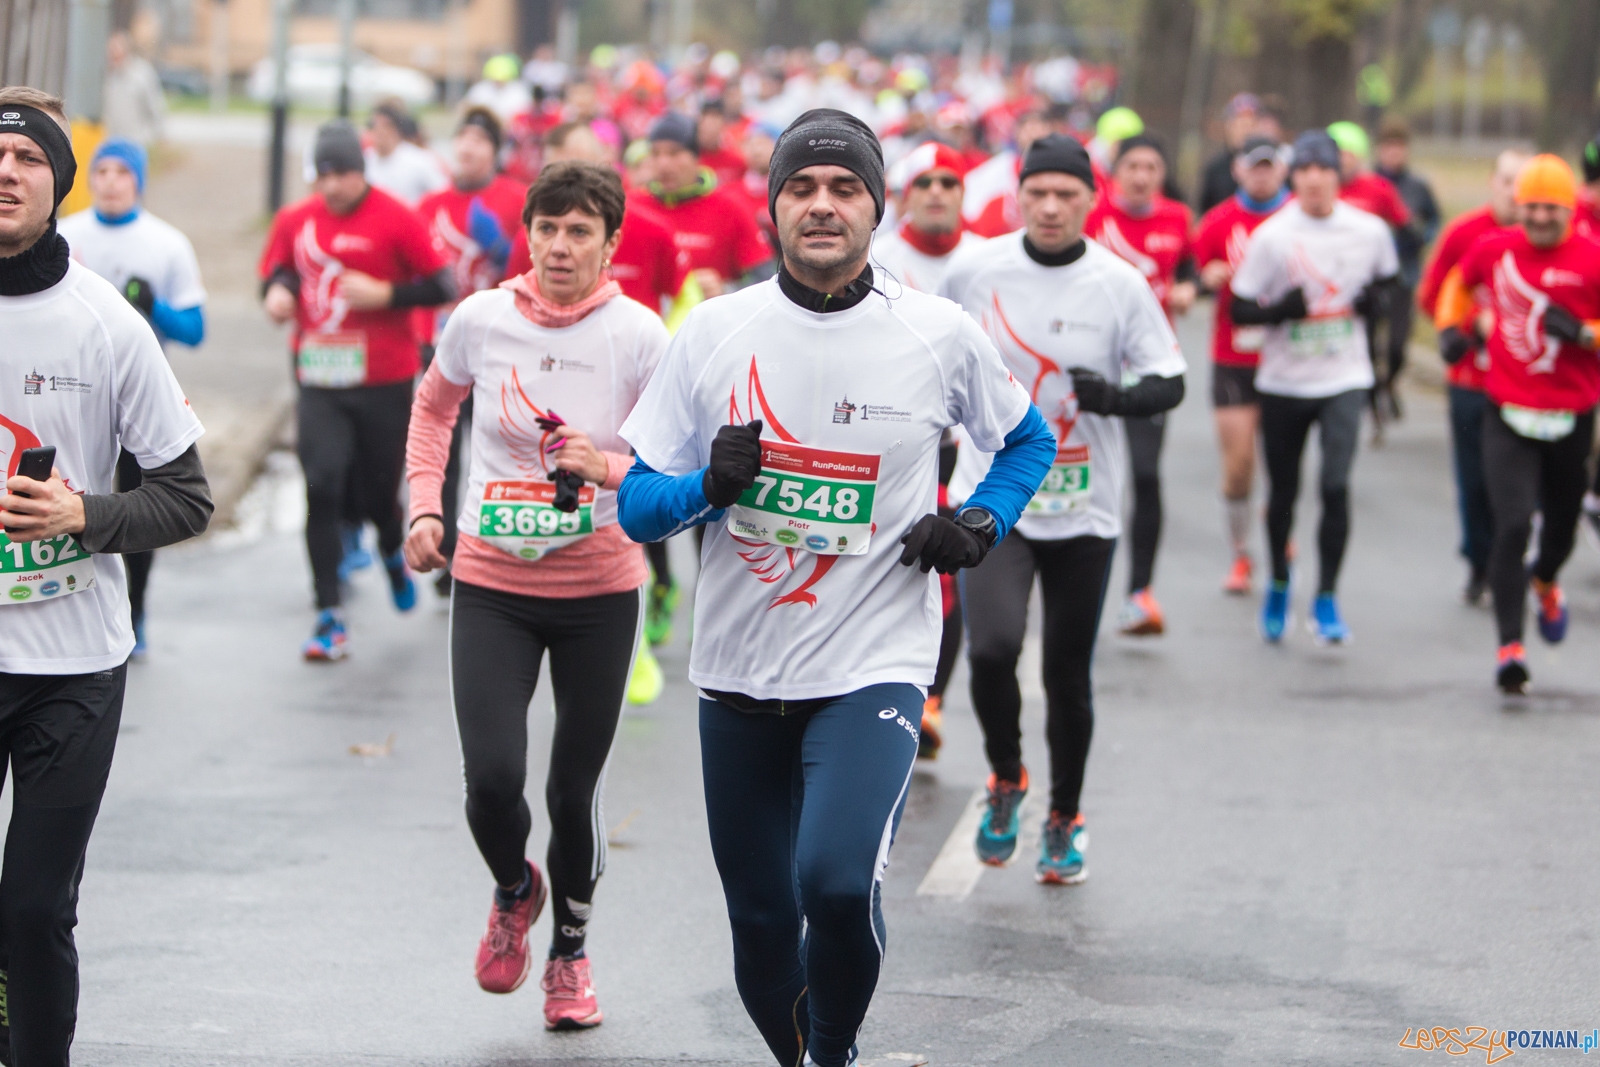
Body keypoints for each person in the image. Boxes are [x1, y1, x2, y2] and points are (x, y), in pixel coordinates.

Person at [615, 109, 1054, 1067]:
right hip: (738, 670)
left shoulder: (936, 332)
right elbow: (637, 508)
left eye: (844, 187)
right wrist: (706, 488)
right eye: (801, 188)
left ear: (875, 206)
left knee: (836, 879)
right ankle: (819, 1056)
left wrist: (979, 520)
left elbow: (1028, 440)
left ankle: (830, 1053)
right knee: (764, 921)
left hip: (875, 661)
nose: (822, 205)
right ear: (773, 207)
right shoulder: (714, 332)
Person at [404, 160, 666, 1030]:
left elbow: (675, 460)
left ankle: (569, 954)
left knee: (570, 791)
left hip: (598, 588)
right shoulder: (480, 319)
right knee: (493, 779)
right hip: (491, 582)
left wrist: (611, 467)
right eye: (546, 228)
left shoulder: (639, 335)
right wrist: (422, 507)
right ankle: (516, 887)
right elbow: (434, 408)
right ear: (528, 233)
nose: (559, 246)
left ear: (610, 242)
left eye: (579, 230)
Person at [0, 85, 211, 1067]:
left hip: (72, 662)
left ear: (60, 183)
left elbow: (187, 497)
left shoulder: (105, 324)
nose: (4, 172)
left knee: (35, 903)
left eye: (28, 160)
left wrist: (84, 514)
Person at [942, 133, 1186, 884]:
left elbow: (1169, 378)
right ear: (1018, 195)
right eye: (1037, 192)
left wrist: (1117, 396)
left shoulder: (1121, 282)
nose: (1050, 207)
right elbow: (927, 358)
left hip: (1086, 509)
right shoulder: (975, 269)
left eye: (1067, 195)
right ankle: (1008, 776)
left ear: (1091, 199)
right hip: (994, 497)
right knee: (990, 649)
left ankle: (1065, 812)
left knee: (1068, 671)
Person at [259, 120, 453, 660]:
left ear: (361, 171)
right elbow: (280, 273)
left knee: (375, 495)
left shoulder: (396, 217)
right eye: (323, 174)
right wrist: (276, 295)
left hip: (384, 379)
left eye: (342, 173)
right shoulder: (296, 219)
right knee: (321, 485)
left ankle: (391, 550)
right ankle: (329, 612)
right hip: (318, 377)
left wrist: (387, 293)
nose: (332, 186)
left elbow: (442, 285)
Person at [1434, 155, 1600, 694]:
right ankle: (1510, 647)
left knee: (1558, 531)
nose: (1540, 218)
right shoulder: (1494, 248)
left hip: (1570, 414)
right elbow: (1457, 287)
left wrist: (1586, 335)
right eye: (1531, 207)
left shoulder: (1592, 259)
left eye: (1551, 208)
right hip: (1507, 410)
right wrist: (1453, 330)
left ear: (1569, 209)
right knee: (1511, 524)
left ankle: (1546, 581)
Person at [1228, 130, 1400, 645]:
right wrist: (1281, 311)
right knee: (1284, 492)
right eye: (1303, 171)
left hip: (1344, 377)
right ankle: (1281, 581)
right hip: (1284, 381)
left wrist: (1377, 304)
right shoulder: (1274, 236)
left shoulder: (1368, 231)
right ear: (1292, 177)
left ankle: (1326, 596)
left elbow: (1391, 283)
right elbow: (1239, 307)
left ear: (1337, 175)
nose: (1314, 180)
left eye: (1323, 170)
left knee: (1334, 486)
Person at [58, 138, 207, 656]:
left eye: (123, 171)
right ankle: (68, 597)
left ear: (139, 180)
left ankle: (135, 606)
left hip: (139, 399)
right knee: (74, 499)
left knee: (137, 501)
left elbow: (195, 329)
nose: (111, 180)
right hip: (73, 396)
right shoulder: (64, 234)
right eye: (102, 170)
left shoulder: (166, 243)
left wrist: (157, 307)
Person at [1084, 133, 1196, 636]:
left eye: (1152, 166)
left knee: (1145, 476)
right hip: (1092, 364)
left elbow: (1188, 264)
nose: (1143, 175)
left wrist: (1191, 285)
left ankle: (1139, 594)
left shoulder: (1176, 217)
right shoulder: (1091, 216)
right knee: (1077, 472)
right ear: (1116, 171)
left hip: (1147, 366)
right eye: (1133, 165)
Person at [412, 107, 527, 595]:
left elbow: (528, 265)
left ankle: (485, 539)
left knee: (489, 445)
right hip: (437, 339)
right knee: (445, 447)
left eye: (480, 139)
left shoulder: (515, 198)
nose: (468, 147)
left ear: (495, 151)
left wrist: (499, 248)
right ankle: (447, 546)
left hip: (495, 344)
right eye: (461, 137)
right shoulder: (429, 204)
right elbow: (415, 274)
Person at [1416, 148, 1528, 604]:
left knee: (1521, 481)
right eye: (1507, 181)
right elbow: (1432, 296)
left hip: (1528, 388)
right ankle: (1481, 561)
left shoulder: (1547, 241)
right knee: (1475, 478)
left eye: (1524, 184)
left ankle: (1512, 556)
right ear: (1492, 182)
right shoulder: (1465, 233)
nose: (1514, 193)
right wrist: (1467, 326)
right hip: (1470, 381)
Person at [1190, 135, 1290, 594]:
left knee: (1282, 463)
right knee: (1239, 465)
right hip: (1233, 357)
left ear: (1283, 170)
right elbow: (1191, 271)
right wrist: (1205, 278)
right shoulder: (1219, 222)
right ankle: (1241, 552)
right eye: (1255, 166)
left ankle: (1279, 531)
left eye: (1270, 166)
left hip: (1287, 357)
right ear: (1239, 170)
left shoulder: (1298, 221)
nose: (1263, 173)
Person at [625, 111, 772, 299]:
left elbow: (765, 280)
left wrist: (726, 291)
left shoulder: (729, 207)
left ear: (696, 156)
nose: (663, 163)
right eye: (655, 153)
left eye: (674, 153)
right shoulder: (632, 207)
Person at [1327, 120, 1415, 428]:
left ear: (1360, 156)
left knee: (1394, 347)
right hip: (1339, 282)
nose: (1343, 160)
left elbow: (1406, 227)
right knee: (1360, 343)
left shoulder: (1379, 188)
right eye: (1337, 154)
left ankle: (1387, 381)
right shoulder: (1324, 189)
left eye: (1349, 153)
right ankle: (1362, 395)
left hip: (1379, 279)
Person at [1372, 119, 1441, 416]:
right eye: (1388, 148)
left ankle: (1389, 382)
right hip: (1371, 274)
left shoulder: (1417, 186)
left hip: (1404, 270)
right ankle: (1372, 390)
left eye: (1398, 148)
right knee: (1370, 340)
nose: (1393, 154)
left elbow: (1433, 221)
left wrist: (1420, 234)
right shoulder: (1369, 184)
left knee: (1398, 343)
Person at [872, 141, 982, 294]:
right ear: (907, 196)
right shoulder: (876, 262)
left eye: (947, 183)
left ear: (962, 194)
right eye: (924, 183)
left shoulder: (983, 258)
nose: (935, 191)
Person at [962, 108, 1055, 238]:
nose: (1033, 135)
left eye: (1038, 128)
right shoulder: (999, 168)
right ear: (1017, 134)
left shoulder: (1061, 171)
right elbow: (971, 203)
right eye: (1028, 129)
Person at [363, 99, 449, 207]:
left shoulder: (419, 160)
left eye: (385, 126)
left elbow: (443, 193)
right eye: (373, 126)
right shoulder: (364, 160)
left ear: (395, 129)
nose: (379, 132)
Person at [1197, 93, 1262, 215]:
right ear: (1228, 126)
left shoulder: (1274, 166)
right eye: (1240, 124)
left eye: (1251, 124)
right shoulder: (1215, 169)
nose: (1246, 130)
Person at [101, 32, 166, 147]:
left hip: (138, 142)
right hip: (114, 142)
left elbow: (155, 107)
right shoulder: (109, 78)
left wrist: (156, 136)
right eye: (110, 51)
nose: (113, 54)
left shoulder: (142, 74)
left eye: (116, 50)